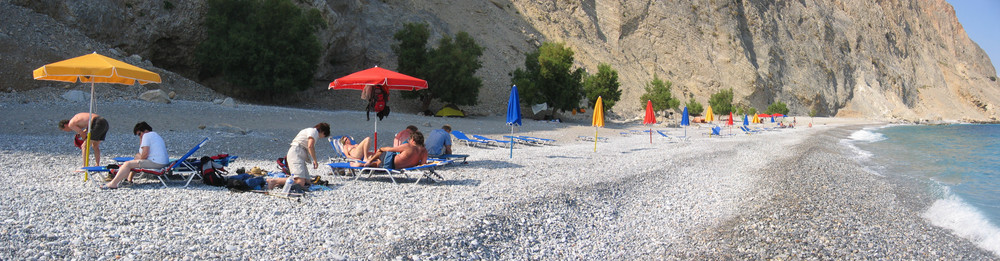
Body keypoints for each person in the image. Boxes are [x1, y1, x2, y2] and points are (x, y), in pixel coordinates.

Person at [102, 122, 168, 189]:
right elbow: (143, 152)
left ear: (145, 130)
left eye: (139, 134)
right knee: (135, 160)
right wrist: (138, 157)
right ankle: (129, 179)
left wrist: (139, 157)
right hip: (163, 162)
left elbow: (145, 154)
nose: (140, 136)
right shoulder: (155, 135)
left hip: (157, 163)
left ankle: (113, 183)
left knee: (127, 164)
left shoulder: (146, 135)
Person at [267, 123, 330, 191]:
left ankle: (281, 184)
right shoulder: (314, 132)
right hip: (296, 153)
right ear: (323, 132)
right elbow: (310, 146)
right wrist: (315, 160)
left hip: (299, 154)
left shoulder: (308, 130)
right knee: (300, 182)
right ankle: (273, 181)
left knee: (307, 181)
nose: (321, 137)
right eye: (323, 136)